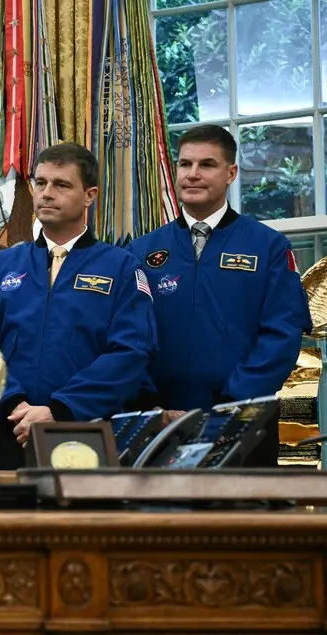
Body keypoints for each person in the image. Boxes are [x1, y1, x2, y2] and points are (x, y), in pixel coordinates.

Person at [0, 142, 158, 469]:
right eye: (40, 183)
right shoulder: (0, 267)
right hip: (6, 435)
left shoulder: (122, 268)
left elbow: (130, 353)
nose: (46, 193)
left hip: (85, 437)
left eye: (61, 185)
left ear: (89, 195)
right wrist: (15, 406)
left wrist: (60, 410)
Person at [128, 125, 312, 467]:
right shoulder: (140, 252)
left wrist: (233, 406)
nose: (193, 174)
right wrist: (151, 405)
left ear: (231, 173)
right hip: (160, 426)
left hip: (244, 424)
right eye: (185, 164)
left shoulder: (268, 247)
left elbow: (282, 334)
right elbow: (127, 336)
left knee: (245, 505)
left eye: (207, 164)